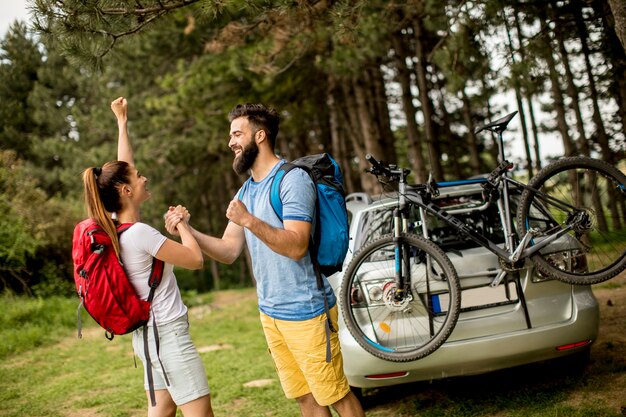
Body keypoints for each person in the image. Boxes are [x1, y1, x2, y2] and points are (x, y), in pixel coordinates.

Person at [165, 103, 365, 417]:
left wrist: (249, 221)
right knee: (305, 398)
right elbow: (228, 251)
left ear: (260, 136)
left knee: (336, 394)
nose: (230, 142)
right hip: (271, 312)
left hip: (307, 310)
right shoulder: (246, 191)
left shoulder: (291, 180)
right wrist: (187, 230)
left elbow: (297, 246)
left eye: (236, 134)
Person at [81, 97, 215, 417]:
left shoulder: (115, 230)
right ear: (126, 191)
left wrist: (122, 123)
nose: (144, 178)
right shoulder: (142, 235)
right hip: (167, 336)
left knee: (162, 412)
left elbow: (123, 169)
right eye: (139, 176)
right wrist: (181, 224)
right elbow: (195, 260)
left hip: (147, 338)